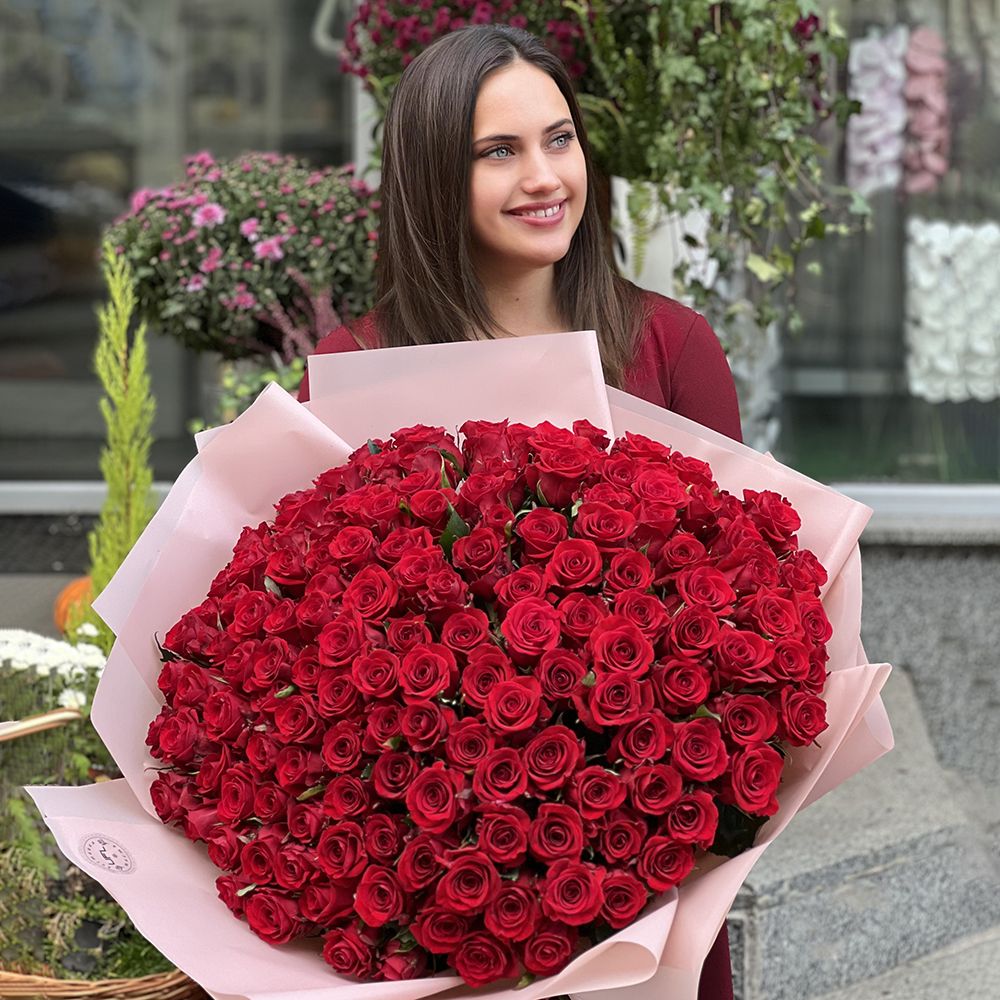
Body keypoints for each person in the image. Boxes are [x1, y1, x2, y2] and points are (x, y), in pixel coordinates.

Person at [299, 24, 739, 1000]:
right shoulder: (353, 369)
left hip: (643, 862)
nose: (544, 178)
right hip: (437, 886)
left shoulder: (669, 347)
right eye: (497, 151)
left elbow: (742, 601)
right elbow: (314, 639)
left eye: (558, 139)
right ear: (430, 179)